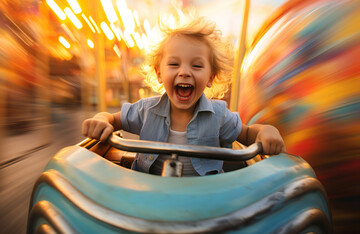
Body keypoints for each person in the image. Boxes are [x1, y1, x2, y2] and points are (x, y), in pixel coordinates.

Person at [82, 15, 286, 176]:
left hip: (203, 200)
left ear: (210, 77)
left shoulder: (219, 115)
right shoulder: (145, 110)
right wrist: (101, 119)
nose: (185, 72)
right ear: (159, 73)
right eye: (174, 64)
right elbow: (113, 119)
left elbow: (249, 133)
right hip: (149, 195)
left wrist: (265, 131)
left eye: (196, 65)